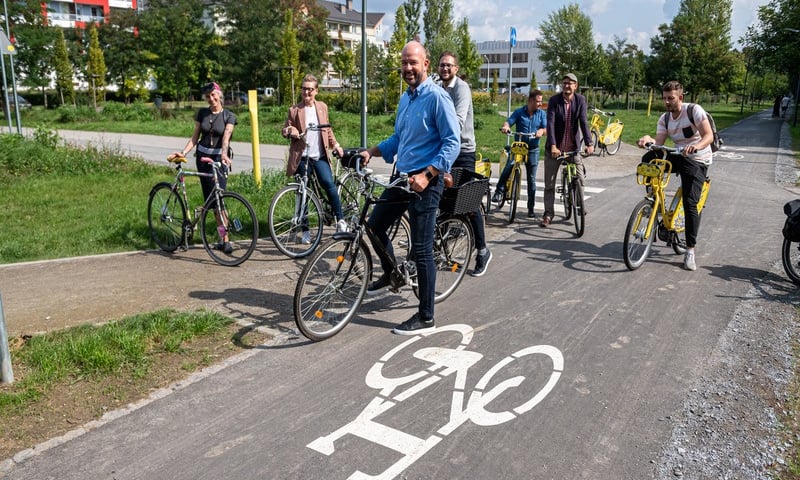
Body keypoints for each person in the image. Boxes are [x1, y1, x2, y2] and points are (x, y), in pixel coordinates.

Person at [359, 41, 460, 335]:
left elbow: (452, 143)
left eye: (413, 62)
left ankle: (426, 316)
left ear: (425, 64)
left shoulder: (438, 98)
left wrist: (428, 174)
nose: (407, 68)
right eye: (404, 63)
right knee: (375, 226)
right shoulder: (406, 99)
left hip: (426, 181)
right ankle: (392, 272)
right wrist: (372, 151)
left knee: (422, 247)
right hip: (403, 177)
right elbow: (398, 140)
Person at [637, 80, 714, 271]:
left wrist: (696, 146)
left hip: (697, 159)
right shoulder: (664, 118)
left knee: (690, 203)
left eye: (670, 98)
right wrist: (648, 140)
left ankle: (690, 251)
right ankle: (654, 199)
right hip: (677, 155)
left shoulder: (694, 110)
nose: (667, 102)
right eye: (664, 98)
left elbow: (708, 136)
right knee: (649, 157)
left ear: (680, 97)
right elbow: (660, 143)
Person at [437, 51, 492, 277]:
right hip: (444, 151)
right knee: (442, 200)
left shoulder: (461, 89)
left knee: (468, 204)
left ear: (456, 68)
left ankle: (482, 251)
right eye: (442, 65)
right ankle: (442, 248)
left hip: (463, 151)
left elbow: (458, 122)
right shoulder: (439, 88)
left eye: (449, 65)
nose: (445, 69)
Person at [281, 74, 347, 240]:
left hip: (319, 156)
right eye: (304, 89)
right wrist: (291, 131)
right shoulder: (294, 110)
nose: (307, 92)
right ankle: (305, 231)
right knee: (303, 192)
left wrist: (336, 145)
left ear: (316, 91)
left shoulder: (322, 107)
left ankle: (340, 219)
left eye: (310, 89)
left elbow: (328, 130)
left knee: (328, 184)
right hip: (302, 157)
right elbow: (285, 130)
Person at [174, 81, 237, 254]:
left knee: (219, 200)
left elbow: (226, 137)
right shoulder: (202, 113)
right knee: (211, 201)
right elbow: (195, 138)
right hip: (202, 158)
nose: (211, 99)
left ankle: (225, 239)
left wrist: (224, 154)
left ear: (220, 95)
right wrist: (184, 153)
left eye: (213, 95)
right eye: (208, 96)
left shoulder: (228, 116)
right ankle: (220, 237)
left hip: (219, 159)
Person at [541, 73, 594, 227]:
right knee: (549, 184)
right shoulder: (554, 101)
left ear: (575, 86)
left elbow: (583, 121)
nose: (567, 86)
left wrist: (589, 143)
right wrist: (552, 145)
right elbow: (550, 123)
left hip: (572, 148)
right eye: (565, 83)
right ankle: (548, 214)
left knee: (580, 178)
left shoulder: (580, 100)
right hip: (555, 149)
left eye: (570, 83)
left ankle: (579, 206)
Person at [492, 89, 547, 219]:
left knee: (531, 179)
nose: (540, 104)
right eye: (538, 101)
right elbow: (509, 121)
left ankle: (531, 208)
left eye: (541, 101)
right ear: (530, 101)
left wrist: (541, 131)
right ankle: (499, 191)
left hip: (533, 148)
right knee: (509, 166)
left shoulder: (542, 114)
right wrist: (506, 127)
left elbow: (545, 128)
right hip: (518, 147)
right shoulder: (519, 112)